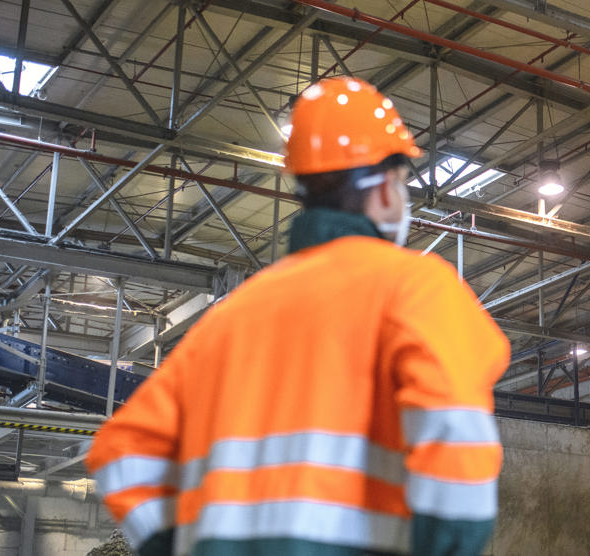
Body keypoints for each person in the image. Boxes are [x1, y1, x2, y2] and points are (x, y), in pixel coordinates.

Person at [86, 76, 510, 556]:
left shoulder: (230, 318)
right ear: (385, 186)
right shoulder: (416, 288)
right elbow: (456, 441)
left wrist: (179, 543)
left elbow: (123, 453)